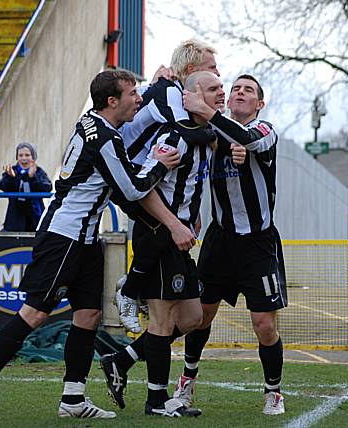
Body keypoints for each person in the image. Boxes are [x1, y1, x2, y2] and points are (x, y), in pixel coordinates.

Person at [0, 70, 180, 422]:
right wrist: (160, 165)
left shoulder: (93, 122)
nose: (138, 100)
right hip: (64, 236)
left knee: (89, 315)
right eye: (133, 93)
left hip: (86, 238)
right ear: (112, 101)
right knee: (35, 313)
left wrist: (157, 83)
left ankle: (73, 399)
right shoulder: (104, 139)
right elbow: (132, 190)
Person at [100, 71, 247, 417]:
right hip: (159, 234)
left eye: (222, 88)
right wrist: (173, 224)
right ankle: (157, 401)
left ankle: (121, 360)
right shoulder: (174, 136)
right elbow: (143, 189)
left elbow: (223, 141)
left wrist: (190, 217)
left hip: (179, 235)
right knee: (163, 321)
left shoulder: (205, 134)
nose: (222, 94)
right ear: (193, 94)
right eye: (214, 89)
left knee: (194, 316)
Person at [115, 39, 271, 332]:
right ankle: (131, 287)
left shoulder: (172, 89)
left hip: (140, 171)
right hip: (124, 170)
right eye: (212, 69)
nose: (219, 76)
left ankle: (136, 283)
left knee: (170, 228)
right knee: (163, 223)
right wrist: (221, 138)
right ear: (191, 70)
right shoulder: (170, 93)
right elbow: (190, 131)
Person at [163, 74, 287, 416]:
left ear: (259, 104)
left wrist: (208, 112)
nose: (240, 92)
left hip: (258, 242)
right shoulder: (212, 136)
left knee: (264, 325)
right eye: (235, 89)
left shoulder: (264, 130)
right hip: (219, 241)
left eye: (249, 90)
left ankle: (273, 391)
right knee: (199, 317)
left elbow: (247, 138)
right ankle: (186, 380)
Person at [0, 142, 52, 232]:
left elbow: (47, 187)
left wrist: (32, 178)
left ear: (33, 158)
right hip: (15, 219)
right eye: (20, 155)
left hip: (35, 218)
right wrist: (12, 178)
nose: (24, 158)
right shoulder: (12, 171)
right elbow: (3, 186)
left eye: (27, 155)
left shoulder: (38, 172)